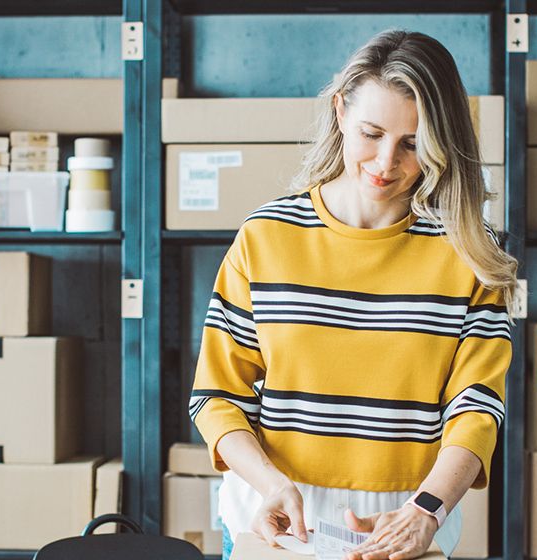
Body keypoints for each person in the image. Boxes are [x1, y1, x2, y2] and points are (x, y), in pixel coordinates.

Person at [190, 29, 518, 560]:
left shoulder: (468, 255)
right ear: (340, 112)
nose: (387, 163)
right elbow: (217, 396)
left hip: (405, 525)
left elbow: (477, 409)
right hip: (273, 521)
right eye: (372, 133)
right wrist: (271, 484)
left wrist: (425, 510)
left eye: (413, 144)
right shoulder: (266, 236)